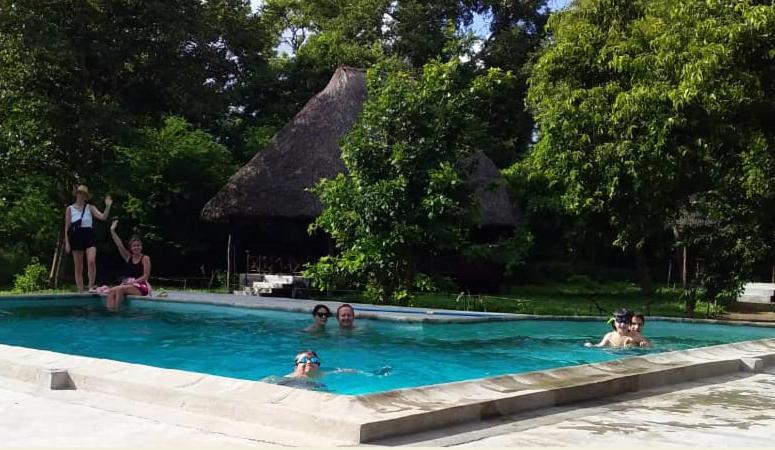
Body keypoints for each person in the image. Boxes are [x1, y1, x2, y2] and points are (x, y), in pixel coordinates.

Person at [64, 185, 112, 293]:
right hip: (76, 236)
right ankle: (80, 290)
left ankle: (91, 286)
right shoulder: (70, 209)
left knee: (91, 261)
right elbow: (66, 227)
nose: (81, 196)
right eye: (79, 193)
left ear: (86, 197)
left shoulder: (90, 207)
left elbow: (103, 217)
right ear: (76, 194)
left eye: (83, 194)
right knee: (78, 266)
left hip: (89, 235)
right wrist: (67, 242)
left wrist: (108, 206)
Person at [105, 220, 151, 310]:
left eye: (138, 245)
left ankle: (118, 313)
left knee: (120, 289)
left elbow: (146, 276)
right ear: (131, 248)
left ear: (141, 246)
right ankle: (110, 313)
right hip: (129, 284)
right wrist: (112, 231)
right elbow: (119, 245)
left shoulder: (145, 258)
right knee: (111, 291)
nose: (136, 247)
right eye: (134, 246)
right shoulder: (128, 257)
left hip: (141, 285)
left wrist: (133, 282)